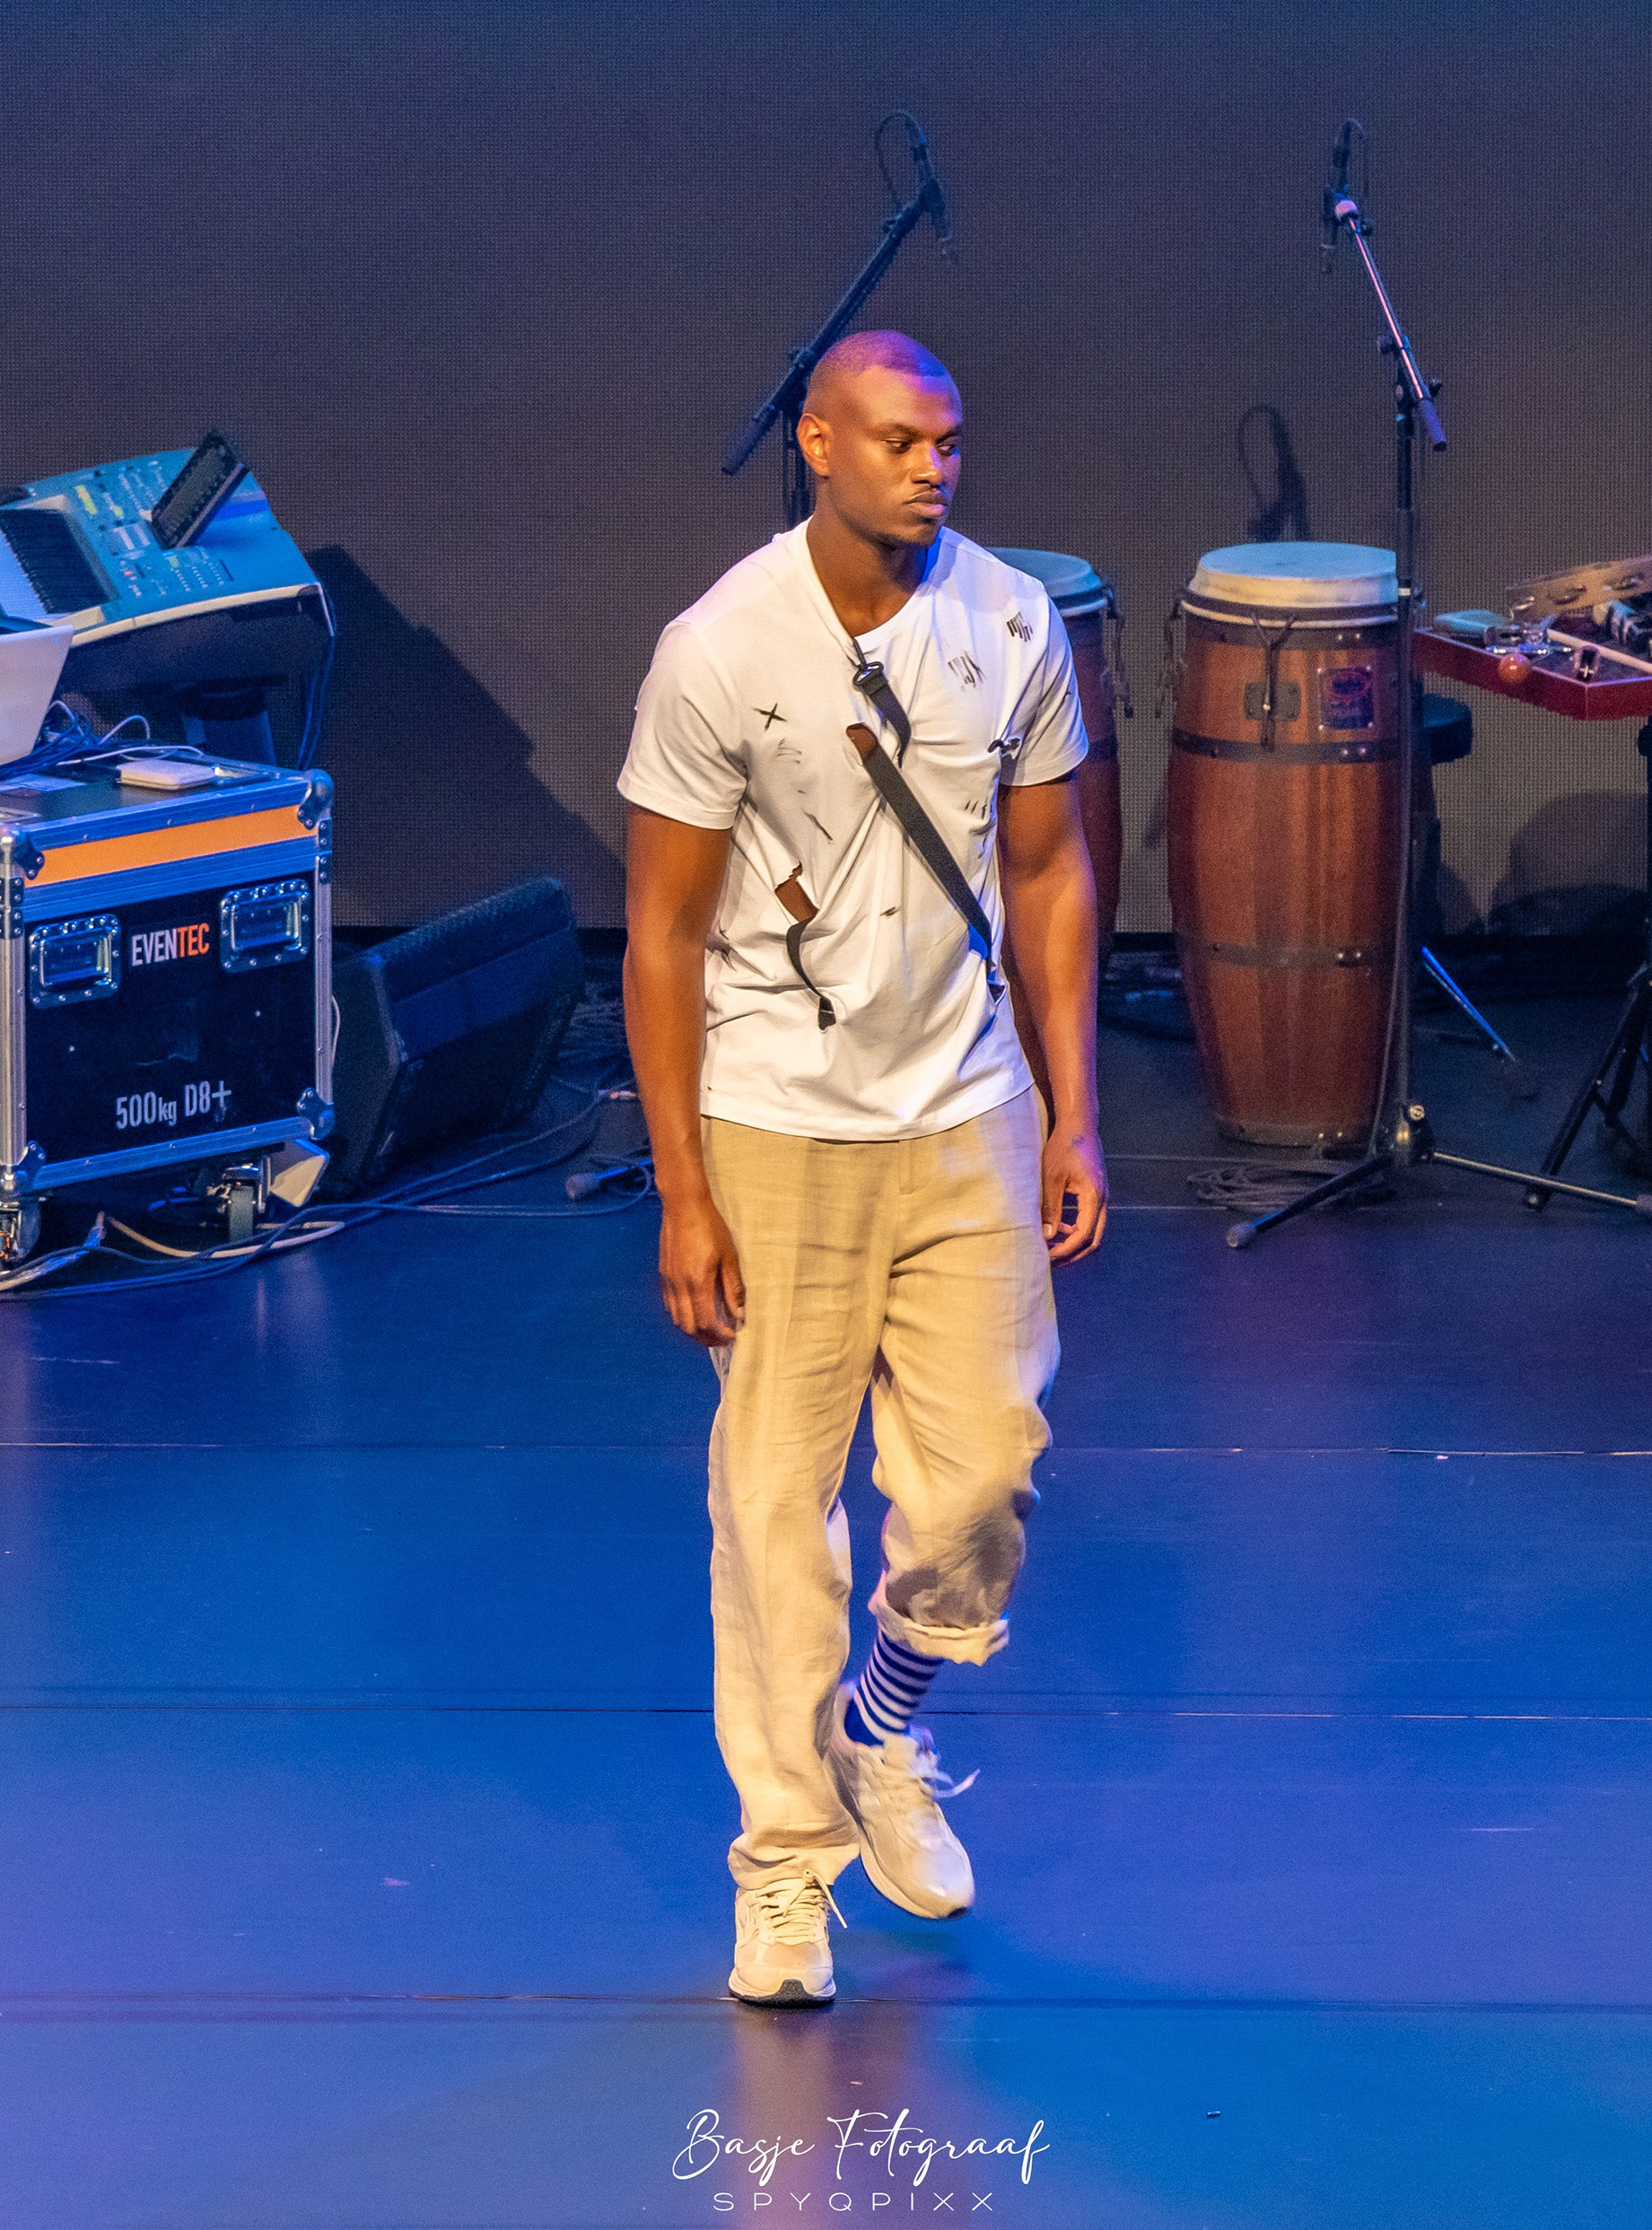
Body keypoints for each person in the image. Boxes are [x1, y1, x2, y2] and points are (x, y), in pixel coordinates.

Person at [618, 329, 1106, 2006]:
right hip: (778, 1122)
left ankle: (884, 1720)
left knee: (982, 1479)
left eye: (949, 442)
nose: (933, 468)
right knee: (774, 1510)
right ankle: (784, 1864)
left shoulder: (1013, 622)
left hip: (964, 1108)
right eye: (899, 440)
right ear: (818, 443)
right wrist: (683, 1185)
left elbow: (1049, 873)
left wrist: (1074, 1110)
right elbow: (663, 931)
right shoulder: (722, 646)